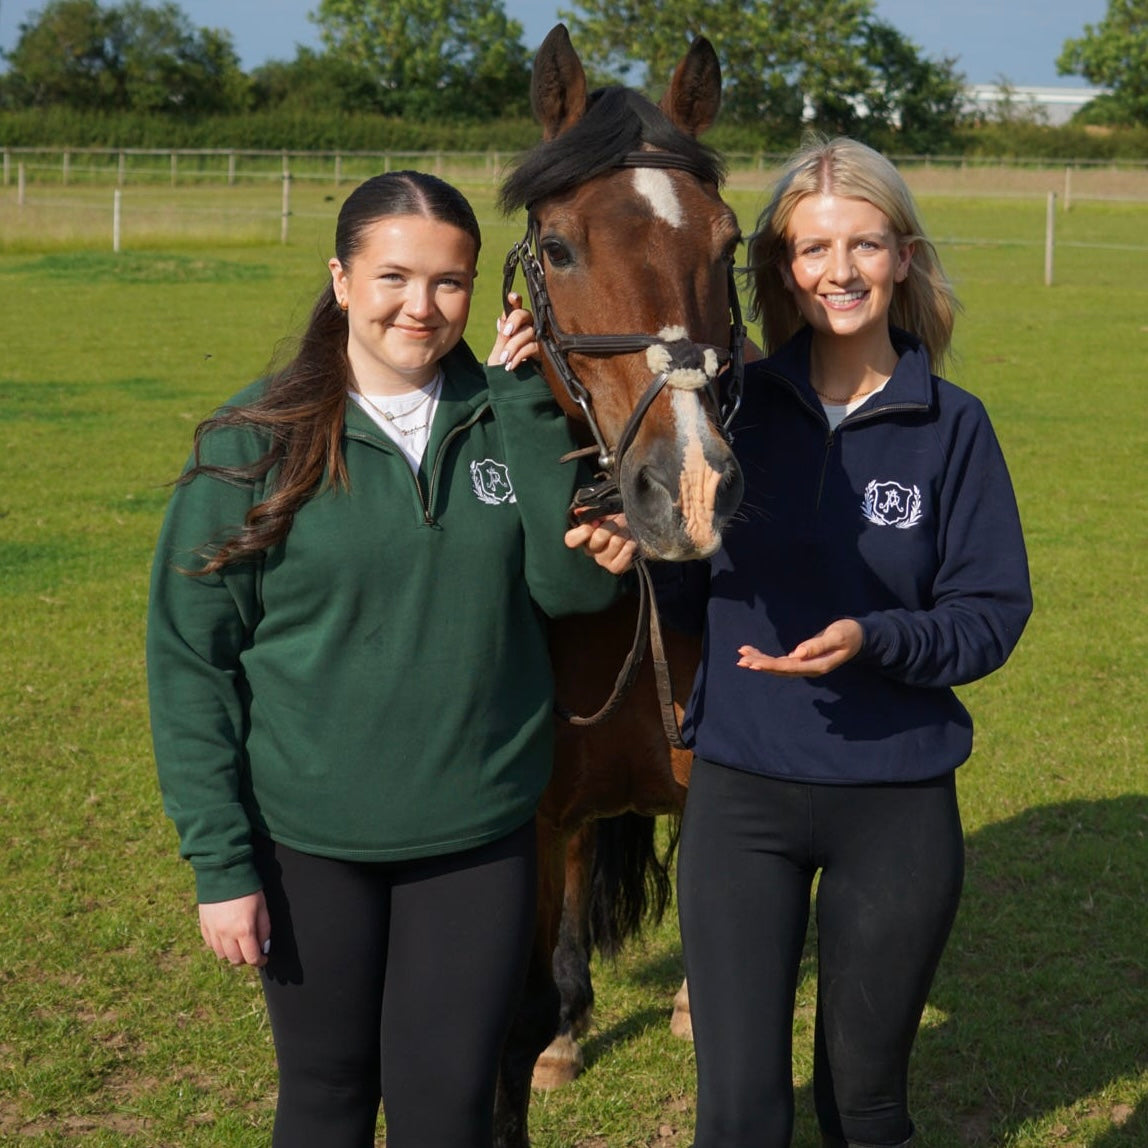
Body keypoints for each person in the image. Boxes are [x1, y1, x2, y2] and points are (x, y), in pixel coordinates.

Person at [570, 137, 1032, 1147]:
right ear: (781, 269)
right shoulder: (729, 412)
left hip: (896, 800)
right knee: (737, 1116)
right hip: (740, 800)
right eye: (813, 248)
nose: (839, 270)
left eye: (863, 244)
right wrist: (644, 551)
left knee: (863, 1109)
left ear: (902, 257)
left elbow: (991, 610)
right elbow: (691, 601)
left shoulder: (950, 426)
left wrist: (874, 636)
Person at [147, 170, 619, 1148]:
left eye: (449, 281)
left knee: (447, 1106)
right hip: (308, 844)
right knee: (324, 1098)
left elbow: (572, 596)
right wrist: (220, 861)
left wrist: (529, 410)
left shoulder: (509, 416)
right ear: (340, 277)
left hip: (477, 837)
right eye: (393, 276)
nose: (421, 305)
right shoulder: (251, 444)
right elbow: (191, 662)